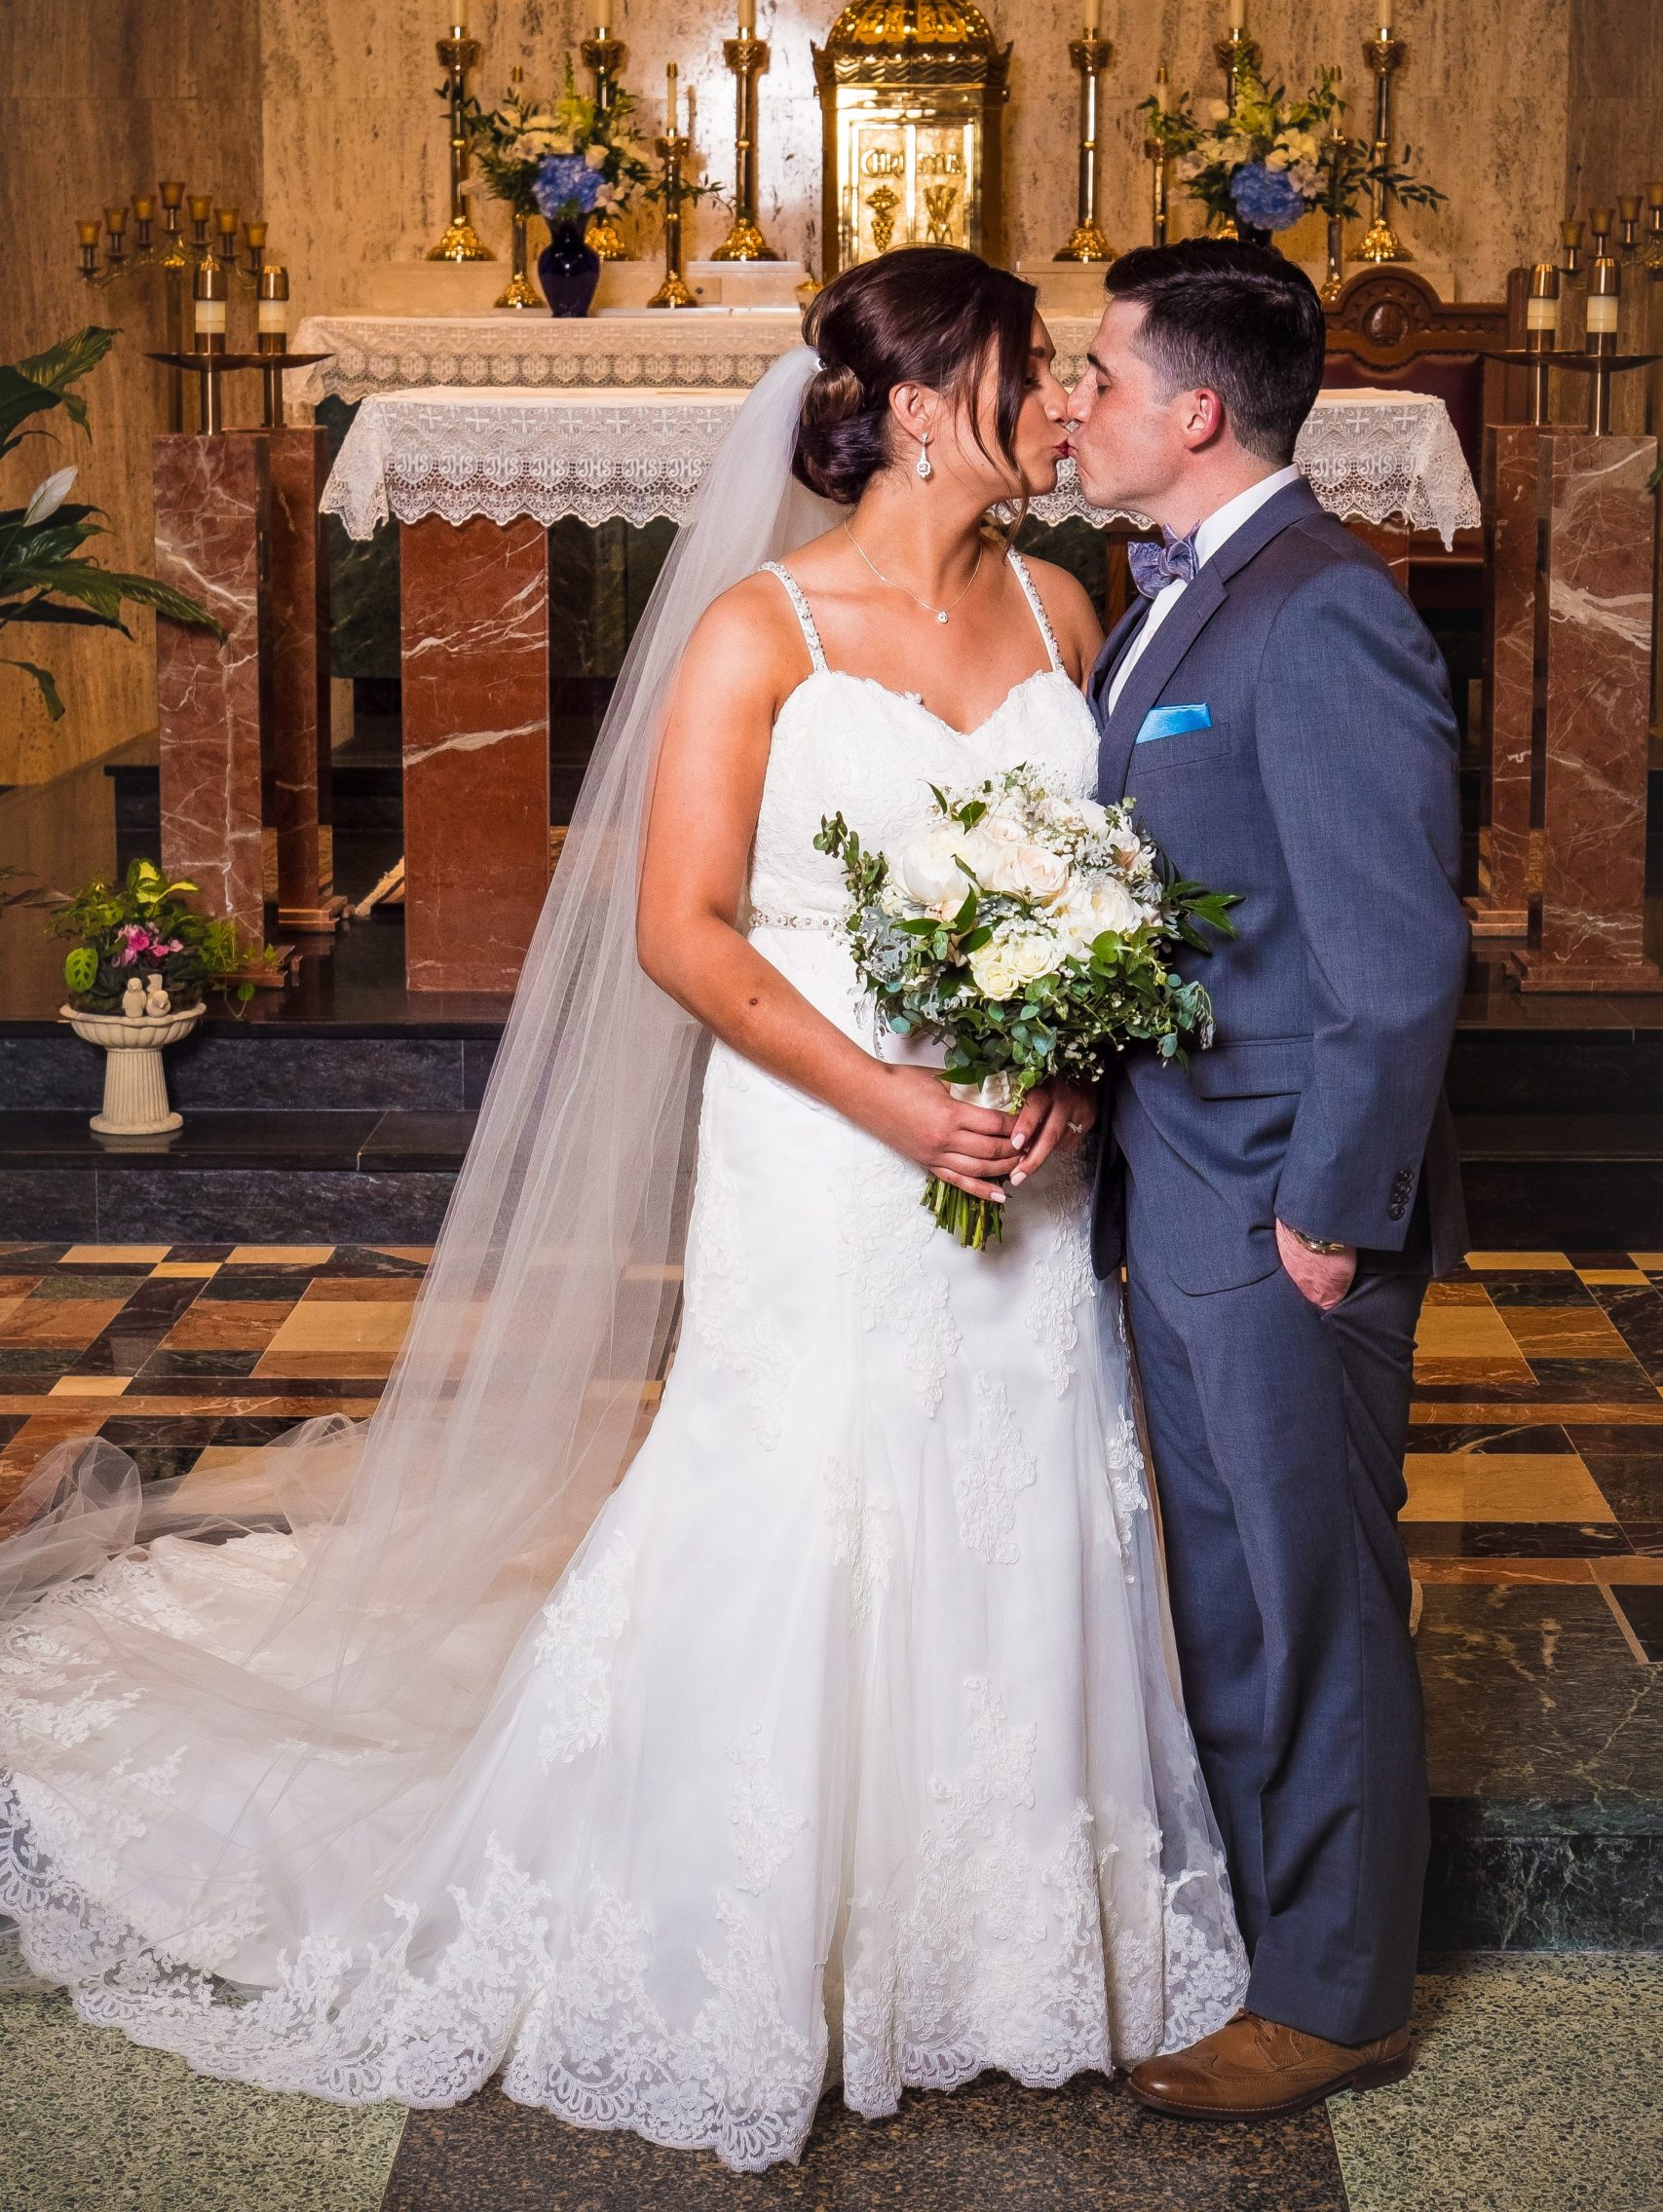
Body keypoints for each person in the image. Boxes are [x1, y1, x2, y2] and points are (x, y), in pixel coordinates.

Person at [0, 249, 1246, 2175]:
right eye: (1027, 370)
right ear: (922, 408)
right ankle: (741, 1936)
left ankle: (987, 1937)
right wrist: (894, 1102)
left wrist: (1061, 1062)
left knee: (1017, 1472)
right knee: (801, 1483)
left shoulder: (1061, 602)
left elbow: (1100, 877)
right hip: (828, 1152)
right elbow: (679, 929)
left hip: (1018, 1153)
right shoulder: (762, 632)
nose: (1060, 401)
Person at [1058, 238, 1468, 2120]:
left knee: (1305, 1600)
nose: (1076, 405)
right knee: (1232, 1592)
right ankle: (1278, 1940)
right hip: (1183, 1184)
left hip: (1282, 1209)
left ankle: (1337, 1995)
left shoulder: (1322, 612)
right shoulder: (1166, 603)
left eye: (1101, 377)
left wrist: (1328, 1212)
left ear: (1195, 411)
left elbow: (1396, 960)